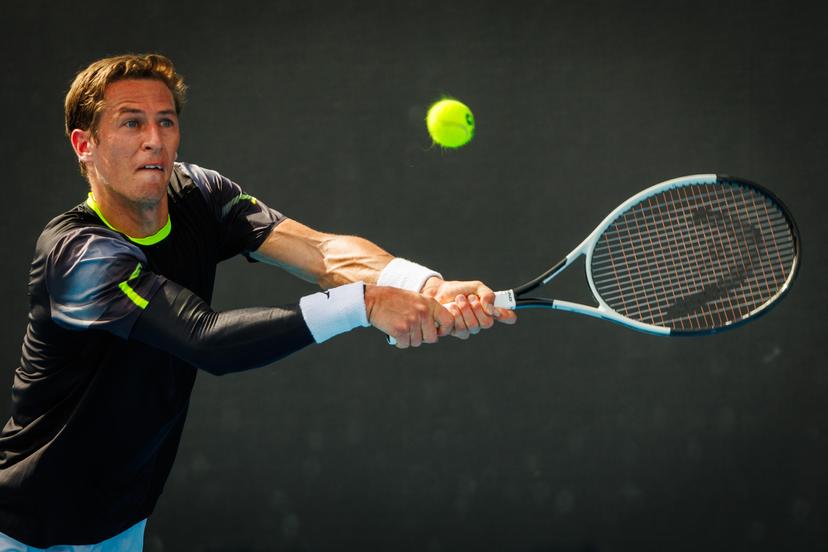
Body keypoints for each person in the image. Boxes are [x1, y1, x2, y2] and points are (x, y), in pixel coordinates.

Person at [0, 54, 516, 550]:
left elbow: (319, 250)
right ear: (84, 144)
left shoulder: (197, 193)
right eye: (131, 124)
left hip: (121, 518)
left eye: (166, 121)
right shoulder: (78, 254)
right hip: (24, 527)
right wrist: (361, 305)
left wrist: (423, 285)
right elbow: (206, 340)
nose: (155, 140)